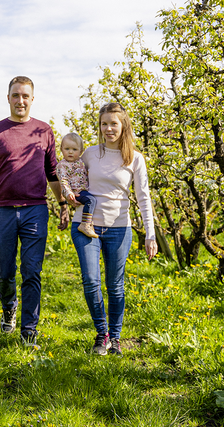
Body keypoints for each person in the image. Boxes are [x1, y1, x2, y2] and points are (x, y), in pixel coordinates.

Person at [0, 76, 69, 347]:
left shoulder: (44, 131)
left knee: (32, 271)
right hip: (2, 211)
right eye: (16, 95)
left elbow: (52, 173)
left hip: (35, 211)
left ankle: (29, 331)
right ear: (8, 98)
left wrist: (63, 204)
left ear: (32, 99)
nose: (21, 100)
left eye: (25, 96)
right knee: (4, 271)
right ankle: (9, 307)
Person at [70, 102, 157, 356]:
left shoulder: (134, 158)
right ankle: (102, 334)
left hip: (119, 228)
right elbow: (73, 181)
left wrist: (150, 234)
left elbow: (143, 197)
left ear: (123, 126)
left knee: (115, 285)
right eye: (104, 123)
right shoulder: (89, 154)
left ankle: (115, 338)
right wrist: (68, 198)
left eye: (113, 124)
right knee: (90, 280)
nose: (108, 128)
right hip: (85, 225)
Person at [56, 132, 97, 238]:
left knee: (91, 200)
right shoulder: (62, 165)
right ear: (61, 148)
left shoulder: (81, 162)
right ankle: (85, 224)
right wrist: (69, 193)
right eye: (67, 149)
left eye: (74, 150)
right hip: (76, 192)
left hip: (83, 189)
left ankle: (88, 222)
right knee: (91, 200)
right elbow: (63, 180)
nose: (70, 152)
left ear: (81, 151)